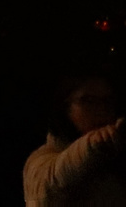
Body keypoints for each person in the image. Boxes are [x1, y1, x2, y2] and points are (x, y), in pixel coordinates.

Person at [24, 76, 126, 206]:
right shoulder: (41, 159)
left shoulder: (114, 161)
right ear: (65, 108)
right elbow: (50, 184)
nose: (100, 110)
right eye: (88, 101)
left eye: (107, 101)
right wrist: (91, 145)